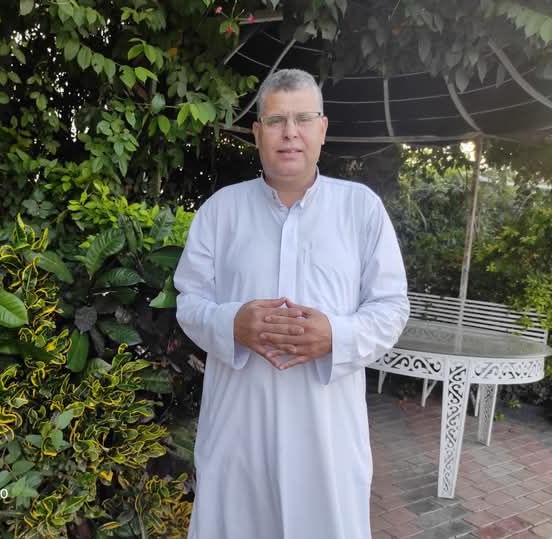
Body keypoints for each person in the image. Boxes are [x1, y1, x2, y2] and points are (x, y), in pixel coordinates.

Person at [173, 68, 410, 539]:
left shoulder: (360, 209)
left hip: (327, 440)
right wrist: (232, 323)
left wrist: (335, 335)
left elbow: (391, 308)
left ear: (322, 129)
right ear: (257, 133)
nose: (290, 132)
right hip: (238, 432)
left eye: (303, 119)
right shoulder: (221, 211)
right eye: (276, 120)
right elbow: (189, 301)